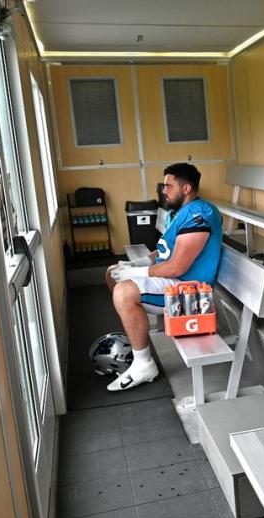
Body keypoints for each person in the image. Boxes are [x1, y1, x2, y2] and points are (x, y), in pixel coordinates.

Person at [104, 163, 223, 391]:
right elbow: (164, 251)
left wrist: (137, 273)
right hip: (172, 279)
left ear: (186, 188)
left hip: (189, 289)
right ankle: (136, 332)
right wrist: (137, 264)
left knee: (124, 292)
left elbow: (177, 267)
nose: (163, 191)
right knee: (112, 273)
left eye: (169, 186)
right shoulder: (179, 211)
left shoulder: (200, 214)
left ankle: (143, 364)